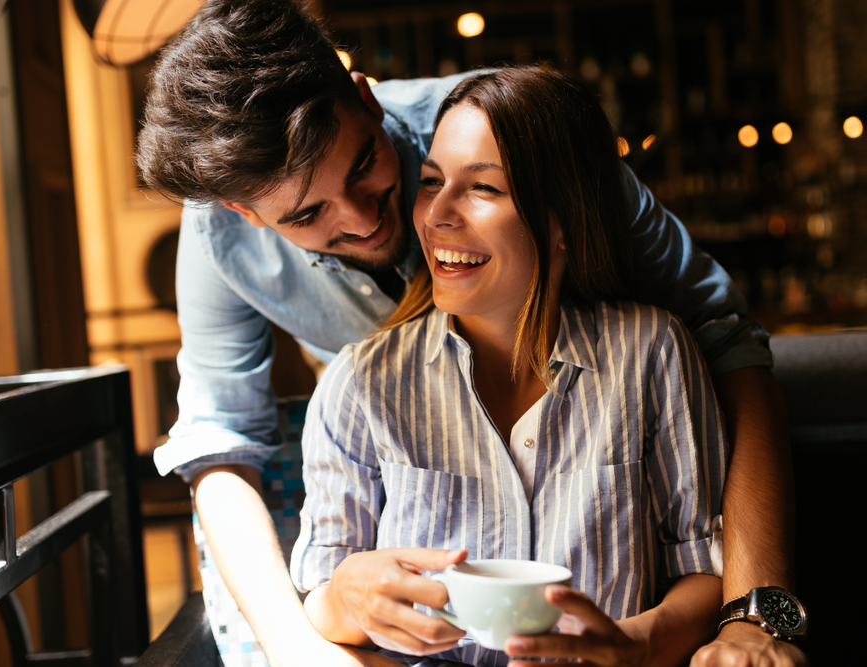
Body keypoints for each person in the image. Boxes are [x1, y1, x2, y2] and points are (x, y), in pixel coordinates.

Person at [136, 1, 805, 665]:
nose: (364, 219)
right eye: (308, 214)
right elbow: (220, 443)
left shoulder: (507, 133)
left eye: (366, 164)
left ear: (365, 101)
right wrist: (304, 642)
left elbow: (731, 345)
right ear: (244, 212)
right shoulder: (234, 251)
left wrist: (752, 619)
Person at [292, 64, 727, 667]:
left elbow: (703, 566)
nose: (435, 215)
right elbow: (317, 594)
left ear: (564, 222)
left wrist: (637, 645)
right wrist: (342, 596)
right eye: (430, 181)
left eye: (483, 189)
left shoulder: (652, 352)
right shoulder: (360, 383)